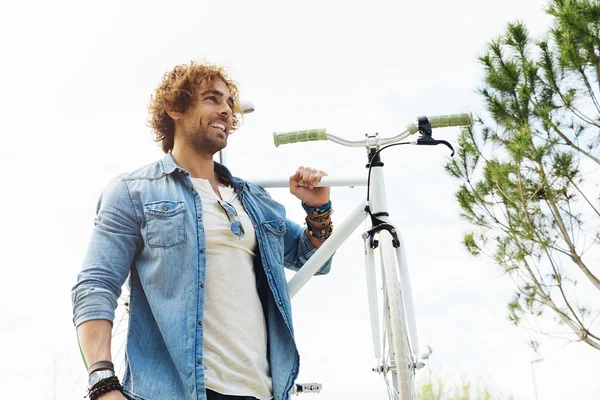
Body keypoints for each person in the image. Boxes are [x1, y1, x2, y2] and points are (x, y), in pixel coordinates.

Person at [71, 61, 334, 400]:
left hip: (262, 390)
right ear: (175, 108)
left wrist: (318, 210)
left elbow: (313, 259)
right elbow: (95, 286)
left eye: (228, 103)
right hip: (175, 391)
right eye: (212, 99)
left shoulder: (253, 198)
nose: (225, 110)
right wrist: (103, 385)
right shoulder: (134, 192)